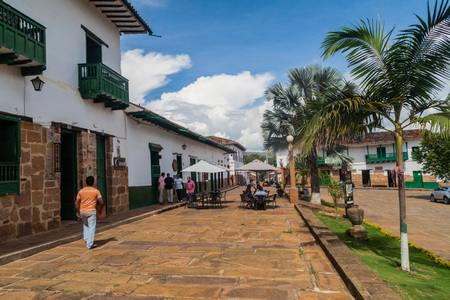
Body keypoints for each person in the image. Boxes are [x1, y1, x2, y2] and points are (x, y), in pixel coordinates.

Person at [75, 176, 104, 249]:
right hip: (91, 211)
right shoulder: (96, 191)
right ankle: (89, 244)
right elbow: (101, 201)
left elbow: (76, 202)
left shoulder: (81, 191)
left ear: (86, 182)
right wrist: (100, 208)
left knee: (85, 225)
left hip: (83, 211)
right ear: (93, 182)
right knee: (92, 227)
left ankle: (86, 239)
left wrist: (77, 211)